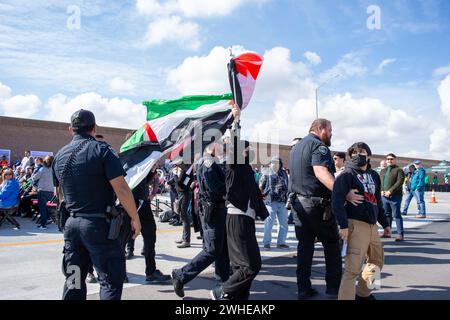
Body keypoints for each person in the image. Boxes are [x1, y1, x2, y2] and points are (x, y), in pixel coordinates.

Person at [52, 109, 141, 300]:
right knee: (109, 281)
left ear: (71, 129)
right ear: (94, 127)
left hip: (72, 227)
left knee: (73, 280)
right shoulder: (102, 150)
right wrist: (135, 218)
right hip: (99, 227)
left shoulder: (59, 156)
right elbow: (122, 189)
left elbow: (59, 194)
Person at [289, 118, 363, 300]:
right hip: (316, 206)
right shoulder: (319, 146)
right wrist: (344, 193)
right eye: (330, 130)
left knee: (304, 247)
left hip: (299, 204)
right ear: (320, 128)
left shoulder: (296, 148)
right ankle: (333, 290)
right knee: (332, 245)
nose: (331, 133)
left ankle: (303, 289)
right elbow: (321, 172)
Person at [210, 105, 269, 300]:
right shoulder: (234, 163)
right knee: (252, 265)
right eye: (248, 148)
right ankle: (222, 291)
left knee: (240, 266)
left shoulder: (245, 168)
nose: (251, 150)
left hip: (245, 219)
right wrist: (236, 121)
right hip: (238, 219)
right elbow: (234, 144)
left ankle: (237, 299)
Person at [332, 142, 390, 300]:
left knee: (378, 262)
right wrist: (343, 225)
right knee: (352, 269)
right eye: (354, 153)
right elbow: (336, 201)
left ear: (368, 155)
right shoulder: (347, 175)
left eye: (362, 152)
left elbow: (377, 201)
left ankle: (364, 293)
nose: (358, 155)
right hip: (355, 224)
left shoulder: (374, 175)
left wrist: (385, 224)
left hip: (372, 226)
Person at [172, 141, 230, 297]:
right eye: (219, 144)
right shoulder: (208, 163)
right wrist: (231, 190)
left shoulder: (213, 162)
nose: (222, 148)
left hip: (218, 210)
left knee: (223, 250)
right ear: (211, 147)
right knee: (212, 251)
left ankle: (222, 286)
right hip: (213, 211)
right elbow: (216, 189)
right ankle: (181, 275)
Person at [260, 156, 290, 249]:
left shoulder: (283, 173)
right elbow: (261, 187)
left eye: (278, 163)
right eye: (274, 162)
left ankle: (281, 242)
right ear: (270, 164)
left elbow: (287, 185)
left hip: (282, 202)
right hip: (270, 202)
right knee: (269, 224)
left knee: (283, 224)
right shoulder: (266, 173)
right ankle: (266, 243)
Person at [380, 153, 405, 241]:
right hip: (384, 197)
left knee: (396, 215)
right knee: (386, 214)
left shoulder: (399, 170)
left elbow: (399, 182)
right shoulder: (383, 171)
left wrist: (390, 191)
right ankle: (387, 232)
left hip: (395, 196)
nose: (389, 160)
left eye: (391, 159)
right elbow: (380, 183)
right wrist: (381, 190)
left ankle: (400, 234)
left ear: (395, 160)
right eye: (388, 159)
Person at [172, 162, 193, 248]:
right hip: (182, 194)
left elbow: (181, 183)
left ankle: (186, 240)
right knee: (182, 215)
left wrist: (175, 175)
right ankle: (184, 237)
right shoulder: (185, 170)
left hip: (184, 194)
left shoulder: (187, 171)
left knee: (184, 216)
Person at [32, 156, 55, 229]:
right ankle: (48, 219)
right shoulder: (54, 170)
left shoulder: (42, 169)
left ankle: (43, 225)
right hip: (50, 191)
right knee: (47, 208)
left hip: (42, 191)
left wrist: (33, 174)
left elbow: (35, 177)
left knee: (43, 209)